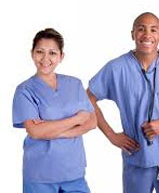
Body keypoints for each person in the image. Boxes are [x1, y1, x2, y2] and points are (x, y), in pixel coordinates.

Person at [87, 12, 159, 193]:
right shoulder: (116, 68)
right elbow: (88, 97)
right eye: (141, 29)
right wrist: (112, 136)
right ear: (132, 34)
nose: (147, 35)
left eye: (153, 29)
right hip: (136, 157)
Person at [12, 28, 96, 193]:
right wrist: (76, 120)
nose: (45, 58)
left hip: (74, 173)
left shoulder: (75, 84)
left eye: (52, 53)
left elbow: (92, 122)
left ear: (61, 56)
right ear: (32, 53)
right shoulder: (24, 90)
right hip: (39, 175)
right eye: (40, 52)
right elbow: (35, 132)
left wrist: (50, 130)